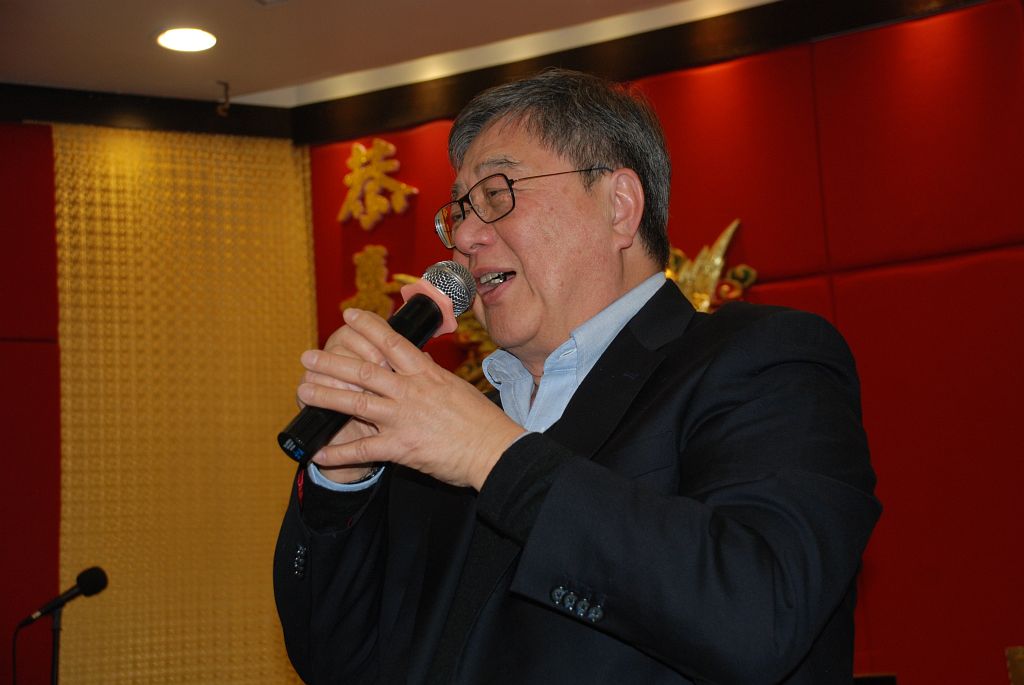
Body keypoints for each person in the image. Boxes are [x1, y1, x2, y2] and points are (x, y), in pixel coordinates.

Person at [273, 68, 880, 685]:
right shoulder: (449, 423)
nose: (466, 236)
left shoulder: (762, 359)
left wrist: (491, 454)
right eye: (459, 210)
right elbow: (338, 663)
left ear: (620, 206)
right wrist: (342, 481)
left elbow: (760, 612)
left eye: (497, 193)